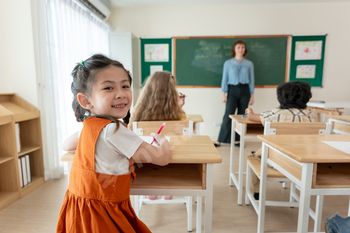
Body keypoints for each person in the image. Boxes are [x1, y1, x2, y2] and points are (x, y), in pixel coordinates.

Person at [56, 54, 172, 233]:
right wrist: (163, 141)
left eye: (125, 86)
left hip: (79, 211)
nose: (121, 94)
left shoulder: (89, 126)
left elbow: (67, 145)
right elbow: (162, 158)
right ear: (86, 101)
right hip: (104, 214)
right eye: (108, 88)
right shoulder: (114, 131)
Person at [244, 81, 317, 200]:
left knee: (254, 157)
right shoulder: (312, 115)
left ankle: (257, 192)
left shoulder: (275, 114)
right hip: (302, 161)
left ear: (281, 98)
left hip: (275, 160)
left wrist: (250, 112)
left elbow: (251, 117)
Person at [129, 71, 185, 200]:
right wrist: (180, 107)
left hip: (145, 161)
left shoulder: (138, 111)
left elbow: (131, 130)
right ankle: (168, 186)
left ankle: (151, 188)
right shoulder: (177, 113)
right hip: (172, 160)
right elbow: (182, 131)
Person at [214, 40, 255, 147]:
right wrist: (223, 94)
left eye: (242, 47)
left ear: (245, 49)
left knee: (242, 115)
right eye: (238, 47)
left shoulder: (249, 64)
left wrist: (252, 96)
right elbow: (224, 79)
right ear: (234, 49)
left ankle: (238, 140)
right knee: (228, 115)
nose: (240, 49)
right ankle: (220, 140)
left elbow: (251, 80)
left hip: (245, 90)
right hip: (232, 90)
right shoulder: (228, 63)